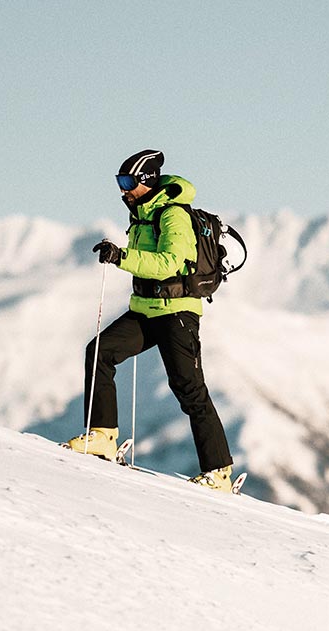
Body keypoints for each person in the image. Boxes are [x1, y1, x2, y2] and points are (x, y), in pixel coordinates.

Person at [63, 150, 236, 491]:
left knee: (189, 388)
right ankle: (102, 436)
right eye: (119, 181)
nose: (122, 189)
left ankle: (219, 472)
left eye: (127, 181)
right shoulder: (141, 214)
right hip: (146, 308)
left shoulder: (173, 215)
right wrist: (122, 256)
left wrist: (121, 256)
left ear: (146, 181)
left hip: (177, 312)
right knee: (100, 352)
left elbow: (169, 263)